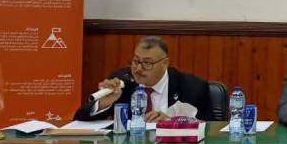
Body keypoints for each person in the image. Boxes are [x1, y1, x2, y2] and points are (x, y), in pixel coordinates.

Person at [74, 36, 212, 122]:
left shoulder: (193, 87)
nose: (138, 69)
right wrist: (104, 102)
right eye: (135, 61)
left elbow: (210, 129)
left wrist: (172, 122)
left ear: (165, 63)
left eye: (147, 63)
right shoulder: (122, 80)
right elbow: (79, 117)